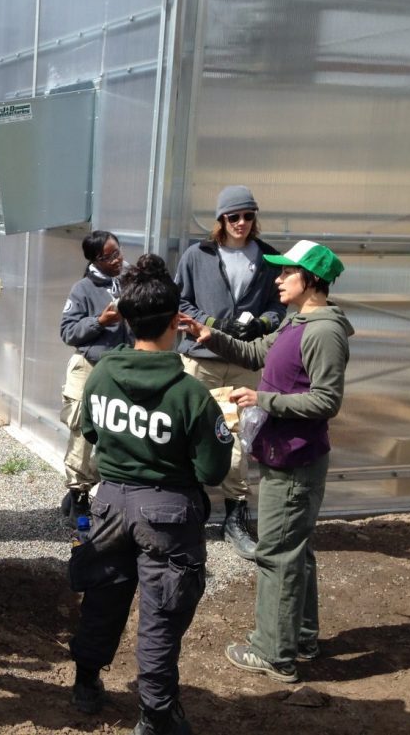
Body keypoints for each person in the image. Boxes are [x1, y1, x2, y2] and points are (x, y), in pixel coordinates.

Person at [68, 254, 231, 735]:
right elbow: (212, 468)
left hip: (110, 503)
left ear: (126, 319)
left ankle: (85, 683)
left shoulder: (100, 374)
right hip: (168, 512)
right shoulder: (189, 393)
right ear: (176, 324)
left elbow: (93, 435)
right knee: (161, 611)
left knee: (102, 596)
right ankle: (156, 713)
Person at [183, 240, 351, 684]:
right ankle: (301, 638)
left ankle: (273, 653)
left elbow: (326, 400)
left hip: (295, 461)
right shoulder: (298, 321)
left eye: (285, 273)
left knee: (277, 552)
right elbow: (259, 354)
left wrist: (264, 399)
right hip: (283, 454)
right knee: (296, 550)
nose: (276, 279)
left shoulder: (323, 332)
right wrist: (210, 336)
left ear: (310, 280)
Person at [174, 185, 286, 560]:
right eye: (233, 216)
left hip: (244, 360)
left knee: (241, 434)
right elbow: (181, 299)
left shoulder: (269, 257)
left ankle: (236, 514)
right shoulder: (197, 255)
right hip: (200, 358)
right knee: (191, 429)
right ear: (220, 219)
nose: (241, 223)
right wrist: (212, 322)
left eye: (248, 216)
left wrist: (259, 325)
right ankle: (190, 506)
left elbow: (278, 305)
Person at [58, 230, 132, 520]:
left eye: (118, 252)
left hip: (123, 371)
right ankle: (79, 500)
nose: (117, 259)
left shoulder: (128, 282)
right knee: (83, 435)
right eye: (109, 256)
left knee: (116, 433)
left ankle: (95, 488)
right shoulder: (82, 289)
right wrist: (100, 321)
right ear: (94, 260)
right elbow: (67, 331)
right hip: (90, 369)